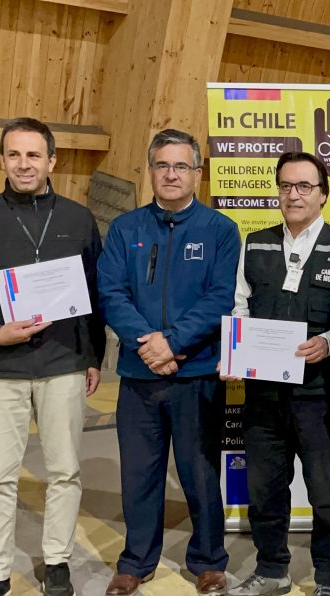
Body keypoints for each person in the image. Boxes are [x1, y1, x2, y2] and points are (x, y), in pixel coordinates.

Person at [0, 117, 105, 596]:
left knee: (65, 470)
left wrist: (93, 357)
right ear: (2, 160)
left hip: (63, 363)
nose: (24, 164)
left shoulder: (78, 219)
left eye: (34, 155)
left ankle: (57, 561)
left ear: (52, 160)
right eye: (15, 155)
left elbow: (95, 296)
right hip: (0, 367)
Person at [97, 129, 240, 596]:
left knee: (200, 472)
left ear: (197, 173)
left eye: (181, 166)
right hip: (139, 375)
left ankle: (208, 560)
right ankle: (135, 562)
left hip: (195, 373)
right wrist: (148, 345)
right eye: (163, 165)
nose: (171, 174)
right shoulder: (125, 228)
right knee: (139, 472)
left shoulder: (220, 230)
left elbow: (220, 296)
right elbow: (111, 293)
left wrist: (174, 343)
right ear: (151, 171)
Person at [225, 152, 330, 596]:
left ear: (323, 194)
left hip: (321, 396)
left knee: (326, 491)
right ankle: (271, 571)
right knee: (265, 489)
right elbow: (238, 306)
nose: (293, 194)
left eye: (304, 186)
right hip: (263, 394)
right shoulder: (255, 244)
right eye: (286, 186)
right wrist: (234, 353)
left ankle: (328, 578)